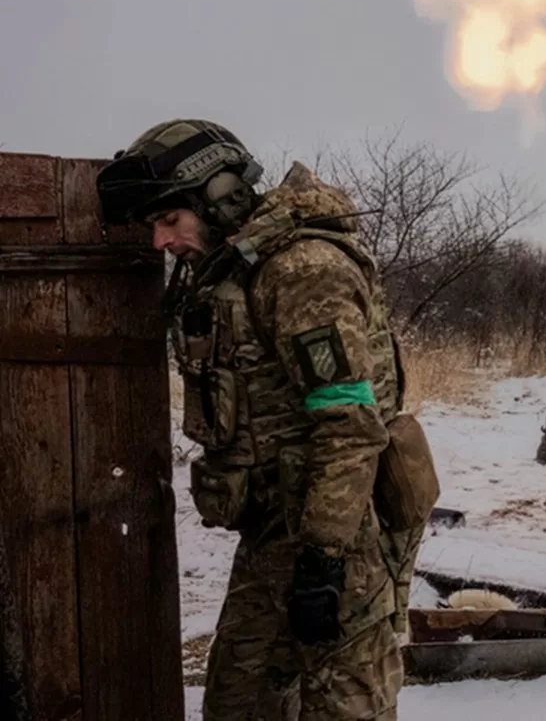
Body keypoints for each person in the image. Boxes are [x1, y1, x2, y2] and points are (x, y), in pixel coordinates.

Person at [95, 119, 439, 720]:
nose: (159, 242)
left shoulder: (301, 270)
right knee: (239, 704)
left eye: (169, 221)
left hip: (340, 538)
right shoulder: (236, 269)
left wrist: (323, 563)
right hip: (273, 534)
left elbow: (349, 424)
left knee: (343, 709)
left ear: (222, 193)